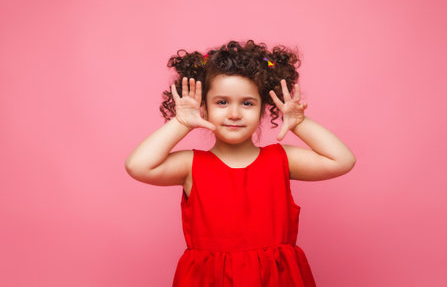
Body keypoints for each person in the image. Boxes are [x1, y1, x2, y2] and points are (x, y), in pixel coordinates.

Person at [125, 40, 356, 286]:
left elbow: (342, 160)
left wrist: (299, 122)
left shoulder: (280, 159)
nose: (234, 114)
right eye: (222, 102)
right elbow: (138, 166)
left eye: (247, 103)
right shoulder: (191, 165)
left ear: (263, 109)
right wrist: (181, 123)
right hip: (209, 280)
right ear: (203, 107)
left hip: (276, 280)